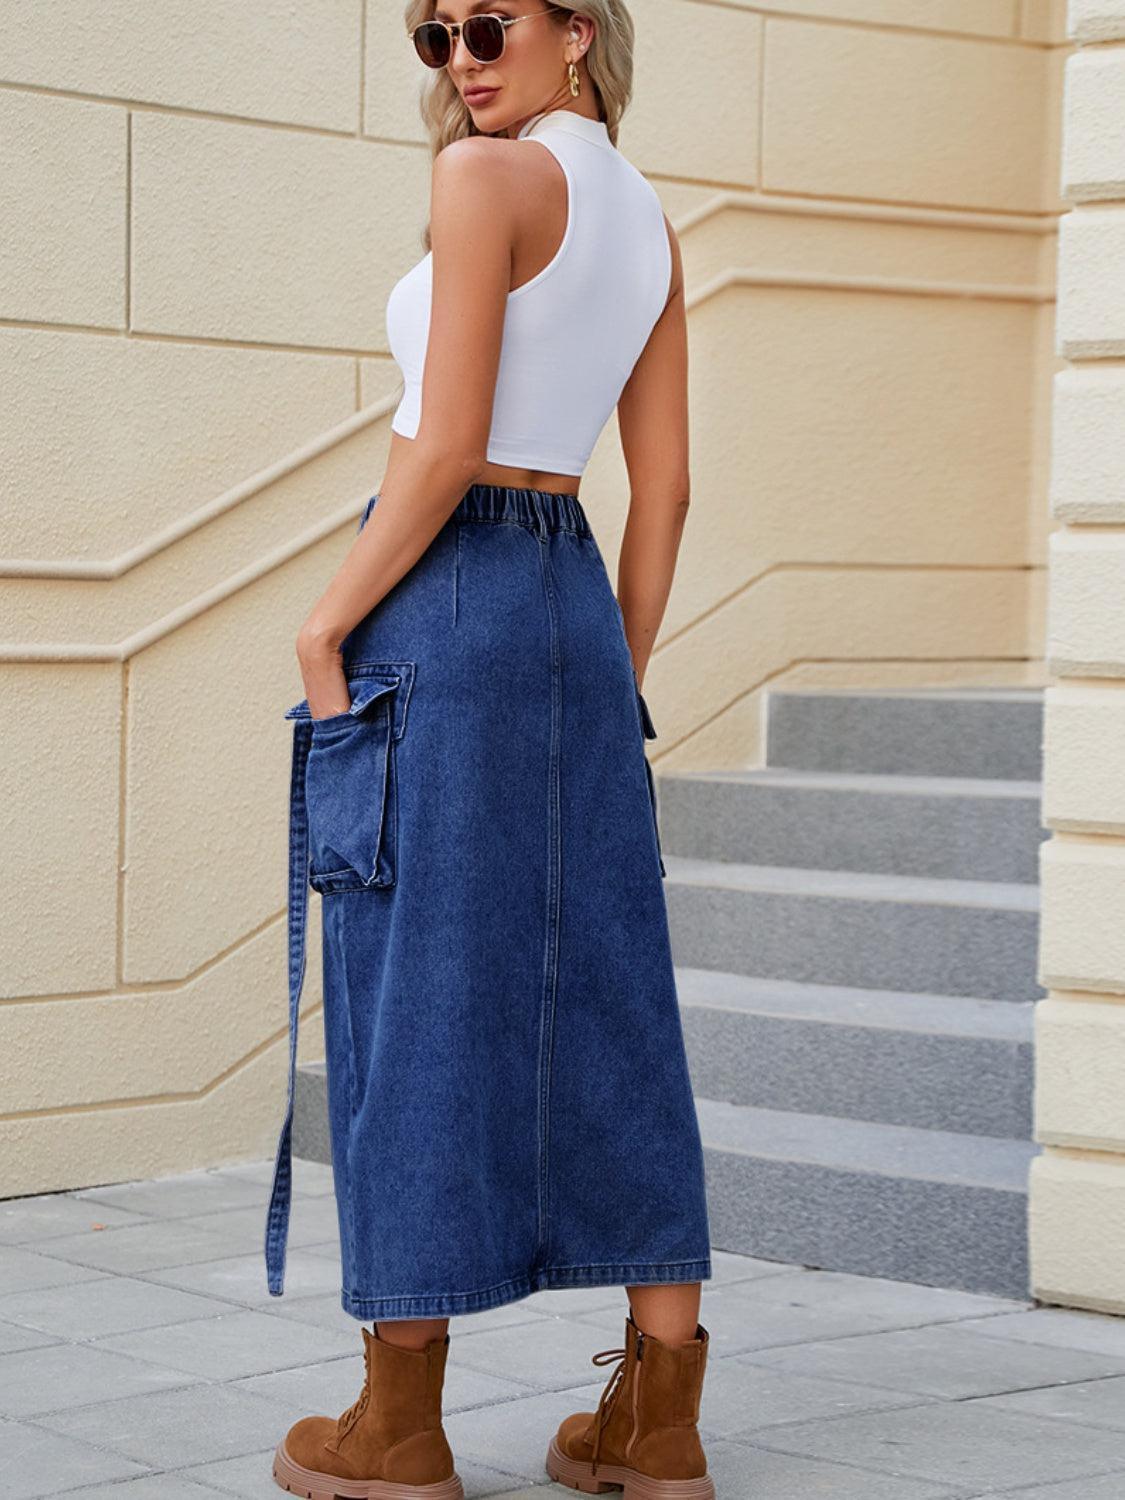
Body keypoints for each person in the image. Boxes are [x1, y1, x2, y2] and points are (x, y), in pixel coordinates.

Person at [263, 3, 716, 1496]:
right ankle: (657, 1420)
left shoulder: (482, 183)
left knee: (411, 998)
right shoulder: (645, 216)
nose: (458, 55)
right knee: (609, 990)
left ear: (574, 29)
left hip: (441, 596)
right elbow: (662, 498)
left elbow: (441, 443)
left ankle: (397, 1425)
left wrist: (327, 624)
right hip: (571, 610)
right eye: (432, 34)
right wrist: (609, 674)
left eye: (486, 23)